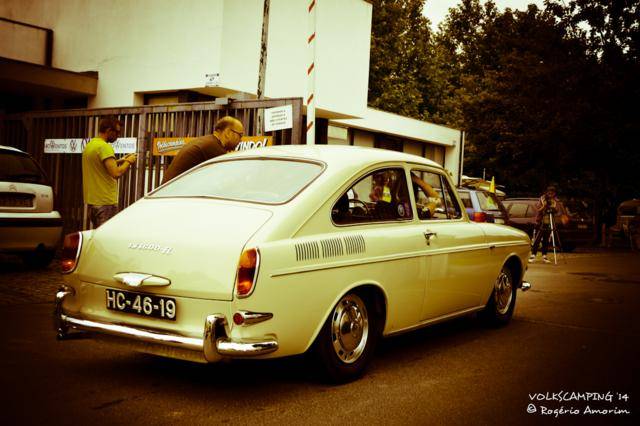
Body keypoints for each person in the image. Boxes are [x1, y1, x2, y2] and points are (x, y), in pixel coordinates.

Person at [82, 116, 137, 228]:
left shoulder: (91, 145)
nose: (118, 135)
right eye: (117, 132)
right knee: (105, 239)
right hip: (106, 202)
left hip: (93, 203)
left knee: (97, 236)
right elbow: (116, 173)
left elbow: (100, 167)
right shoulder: (104, 147)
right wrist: (129, 162)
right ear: (108, 130)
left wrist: (121, 160)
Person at [162, 116, 244, 184]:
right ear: (228, 133)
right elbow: (225, 181)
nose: (241, 140)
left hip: (167, 193)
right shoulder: (214, 148)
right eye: (240, 135)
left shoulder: (208, 142)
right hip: (175, 196)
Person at [529, 185, 560, 263]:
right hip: (540, 222)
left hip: (549, 222)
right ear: (546, 193)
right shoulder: (542, 199)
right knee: (537, 239)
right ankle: (533, 255)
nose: (550, 195)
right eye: (549, 193)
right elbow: (539, 210)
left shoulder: (555, 200)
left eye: (552, 193)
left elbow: (556, 210)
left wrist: (553, 207)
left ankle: (544, 256)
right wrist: (545, 205)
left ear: (554, 194)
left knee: (546, 240)